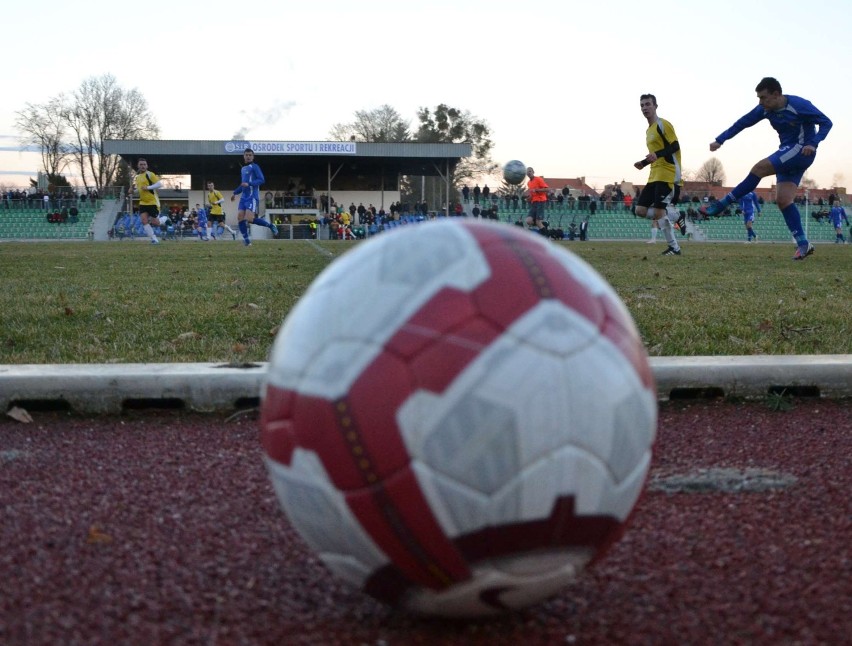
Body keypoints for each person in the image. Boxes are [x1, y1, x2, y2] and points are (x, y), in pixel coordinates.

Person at [698, 77, 832, 260]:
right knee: (783, 200)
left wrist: (813, 143)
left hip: (801, 149)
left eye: (763, 98)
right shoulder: (766, 109)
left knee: (759, 168)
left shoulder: (799, 105)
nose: (760, 102)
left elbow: (826, 122)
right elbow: (743, 122)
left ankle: (721, 205)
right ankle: (803, 244)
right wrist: (720, 139)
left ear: (776, 95)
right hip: (788, 151)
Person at [633, 93, 683, 256]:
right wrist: (644, 163)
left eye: (648, 104)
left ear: (655, 106)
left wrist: (658, 155)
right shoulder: (649, 131)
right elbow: (655, 154)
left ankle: (674, 247)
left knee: (659, 212)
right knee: (640, 210)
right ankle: (675, 215)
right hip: (654, 174)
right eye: (642, 105)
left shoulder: (663, 124)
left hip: (668, 173)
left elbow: (675, 146)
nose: (645, 108)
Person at [230, 148, 278, 246]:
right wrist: (235, 193)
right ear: (243, 156)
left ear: (253, 157)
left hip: (252, 196)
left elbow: (261, 180)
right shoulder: (243, 169)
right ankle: (247, 241)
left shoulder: (255, 167)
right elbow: (243, 184)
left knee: (250, 219)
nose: (248, 156)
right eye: (246, 155)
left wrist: (250, 184)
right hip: (244, 197)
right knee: (240, 217)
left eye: (250, 155)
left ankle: (270, 225)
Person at [131, 158, 165, 244]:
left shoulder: (150, 174)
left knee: (156, 222)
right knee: (144, 220)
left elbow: (160, 184)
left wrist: (148, 187)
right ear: (138, 166)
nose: (143, 166)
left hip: (152, 202)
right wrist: (133, 191)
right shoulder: (137, 177)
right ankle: (154, 239)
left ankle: (165, 219)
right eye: (141, 164)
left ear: (147, 166)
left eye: (144, 164)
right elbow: (140, 190)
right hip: (143, 202)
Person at [525, 167, 549, 236]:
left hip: (540, 202)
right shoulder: (529, 183)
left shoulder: (538, 179)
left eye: (530, 171)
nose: (528, 172)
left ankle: (547, 235)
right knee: (528, 221)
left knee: (538, 222)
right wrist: (528, 198)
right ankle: (542, 224)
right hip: (533, 203)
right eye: (527, 172)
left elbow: (547, 189)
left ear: (533, 172)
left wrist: (537, 190)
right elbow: (532, 195)